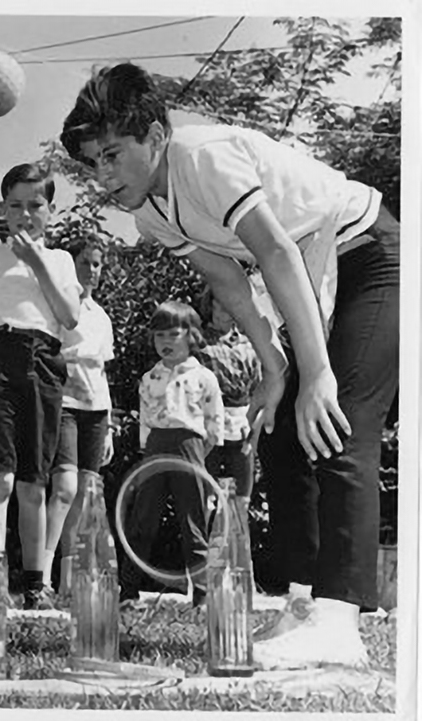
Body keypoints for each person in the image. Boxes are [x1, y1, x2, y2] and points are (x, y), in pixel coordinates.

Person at [61, 62, 398, 668]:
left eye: (112, 154)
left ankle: (341, 620)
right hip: (315, 273)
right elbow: (231, 285)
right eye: (94, 163)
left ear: (156, 136)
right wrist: (276, 370)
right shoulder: (150, 214)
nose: (103, 175)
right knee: (279, 430)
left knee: (338, 417)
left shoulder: (201, 159)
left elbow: (273, 250)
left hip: (372, 253)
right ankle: (302, 603)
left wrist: (315, 374)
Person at [0, 163, 82, 610]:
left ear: (51, 210)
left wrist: (35, 262)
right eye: (15, 206)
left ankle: (36, 585)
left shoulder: (62, 260)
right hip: (0, 361)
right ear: (2, 209)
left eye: (35, 205)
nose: (25, 215)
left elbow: (69, 317)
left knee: (34, 481)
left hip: (45, 364)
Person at [126, 301, 224, 604]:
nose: (165, 342)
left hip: (190, 447)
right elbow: (144, 418)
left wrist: (202, 452)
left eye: (172, 334)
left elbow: (213, 418)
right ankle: (127, 589)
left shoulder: (203, 376)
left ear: (191, 336)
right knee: (142, 520)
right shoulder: (149, 378)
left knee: (192, 520)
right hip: (156, 448)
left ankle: (203, 595)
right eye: (159, 336)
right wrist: (147, 449)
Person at [48, 235, 117, 593]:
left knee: (87, 492)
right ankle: (41, 574)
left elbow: (103, 371)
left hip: (96, 410)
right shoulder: (58, 305)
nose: (92, 270)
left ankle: (70, 580)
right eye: (86, 262)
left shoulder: (101, 317)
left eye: (97, 264)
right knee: (64, 487)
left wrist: (109, 428)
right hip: (65, 405)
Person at [196, 290, 262, 500]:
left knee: (242, 491)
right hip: (209, 423)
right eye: (220, 300)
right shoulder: (198, 344)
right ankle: (205, 530)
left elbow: (258, 388)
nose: (226, 306)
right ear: (211, 304)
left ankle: (238, 530)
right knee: (206, 490)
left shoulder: (249, 343)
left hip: (242, 423)